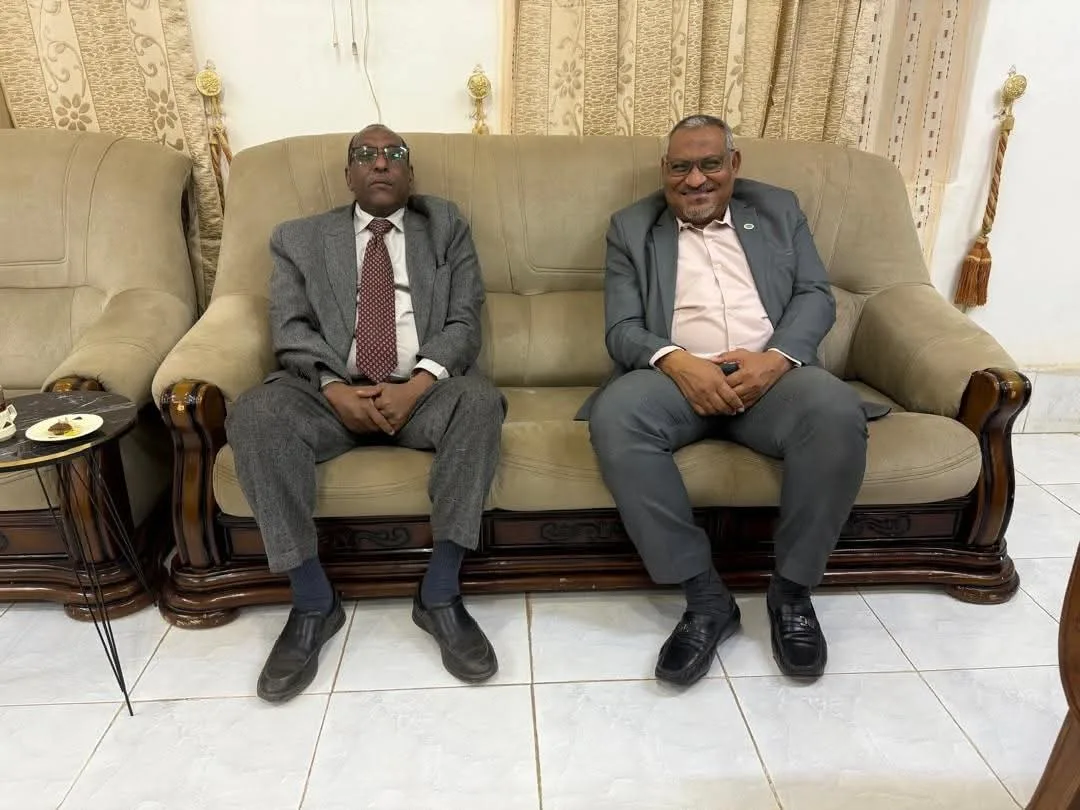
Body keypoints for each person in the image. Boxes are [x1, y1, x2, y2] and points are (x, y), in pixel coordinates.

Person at [585, 114, 888, 687]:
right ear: (664, 170)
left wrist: (776, 359)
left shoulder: (778, 209)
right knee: (617, 416)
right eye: (681, 167)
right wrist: (678, 361)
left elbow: (815, 295)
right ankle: (706, 600)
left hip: (771, 376)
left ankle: (791, 593)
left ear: (734, 165)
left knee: (834, 411)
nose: (695, 179)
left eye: (710, 164)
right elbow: (622, 328)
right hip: (676, 381)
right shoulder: (630, 227)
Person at [226, 124, 506, 703]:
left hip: (421, 394)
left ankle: (439, 593)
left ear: (410, 173)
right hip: (331, 396)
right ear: (348, 174)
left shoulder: (445, 226)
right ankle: (313, 601)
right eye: (366, 155)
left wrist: (418, 384)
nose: (381, 163)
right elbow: (291, 328)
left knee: (480, 401)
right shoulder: (299, 238)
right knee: (255, 414)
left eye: (394, 154)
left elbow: (464, 320)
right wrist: (333, 388)